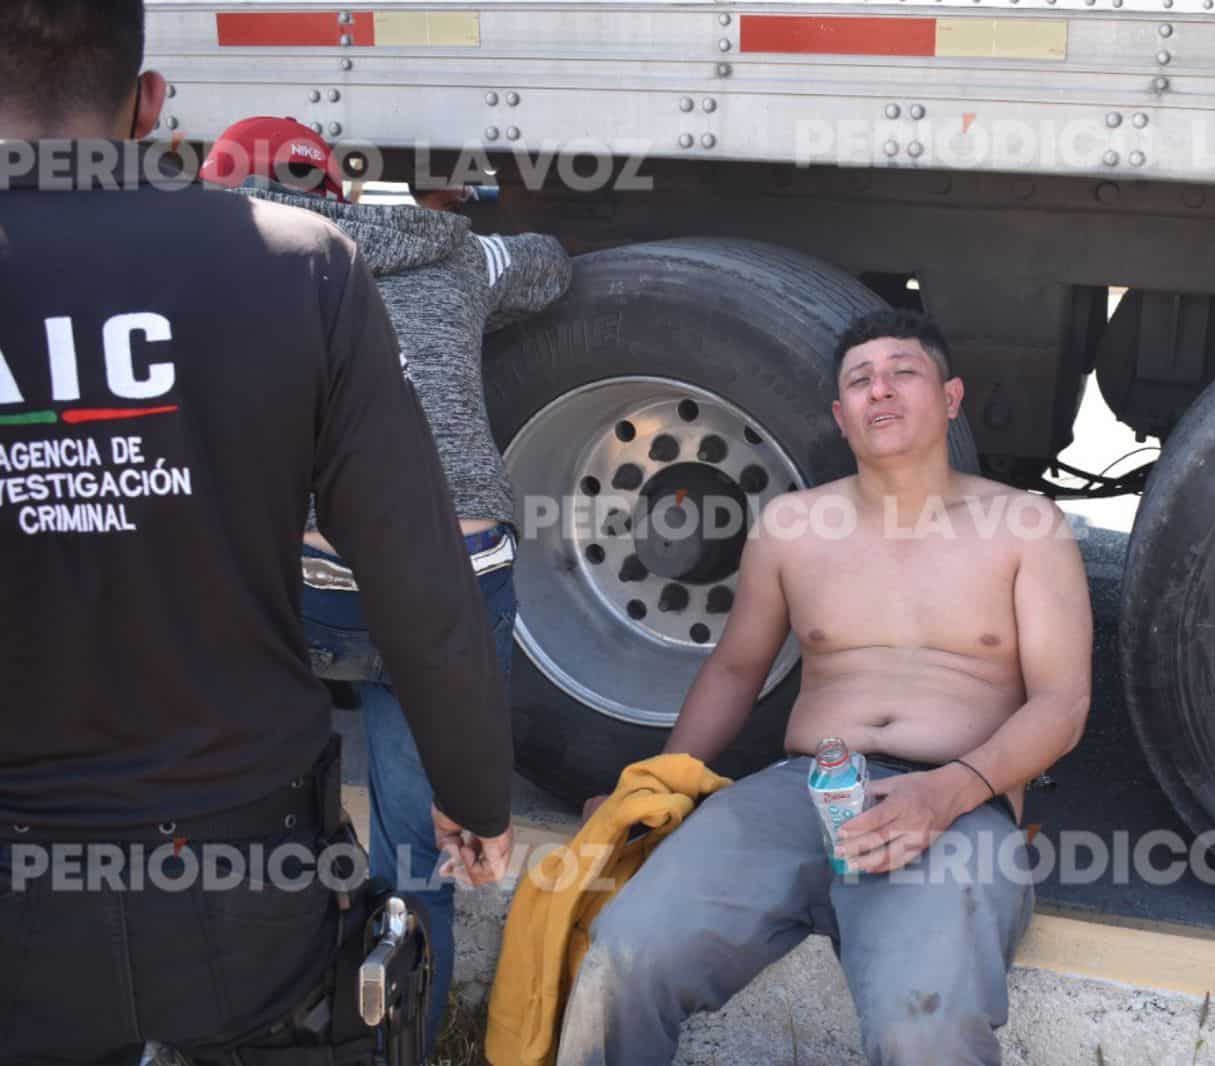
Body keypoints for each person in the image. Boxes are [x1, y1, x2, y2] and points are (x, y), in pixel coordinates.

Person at [0, 3, 514, 1063]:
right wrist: (472, 791)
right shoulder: (302, 267)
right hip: (247, 869)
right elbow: (419, 580)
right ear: (150, 108)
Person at [560, 308, 1094, 1066]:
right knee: (625, 954)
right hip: (795, 793)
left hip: (954, 808)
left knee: (925, 1033)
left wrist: (946, 792)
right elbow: (736, 670)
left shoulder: (1026, 527)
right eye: (860, 380)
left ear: (950, 397)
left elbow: (1062, 704)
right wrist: (650, 790)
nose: (881, 390)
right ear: (842, 417)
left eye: (904, 372)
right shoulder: (792, 526)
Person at [200, 116, 572, 1054]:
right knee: (420, 852)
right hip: (452, 585)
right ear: (338, 187)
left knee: (253, 820)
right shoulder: (453, 256)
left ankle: (257, 1025)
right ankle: (413, 1037)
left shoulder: (215, 263)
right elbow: (550, 264)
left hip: (301, 587)